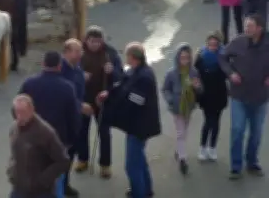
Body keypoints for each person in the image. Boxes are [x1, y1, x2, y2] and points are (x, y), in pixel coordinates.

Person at [97, 42, 161, 198]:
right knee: (139, 159)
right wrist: (110, 92)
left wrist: (116, 106)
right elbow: (122, 83)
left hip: (140, 126)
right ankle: (146, 190)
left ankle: (138, 193)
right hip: (137, 125)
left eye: (127, 56)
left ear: (133, 57)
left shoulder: (144, 76)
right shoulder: (135, 71)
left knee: (132, 165)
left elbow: (136, 100)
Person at [19, 51, 79, 198]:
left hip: (32, 139)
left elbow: (17, 110)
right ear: (59, 67)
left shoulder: (29, 84)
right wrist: (71, 140)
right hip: (58, 140)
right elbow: (73, 117)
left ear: (43, 64)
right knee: (56, 178)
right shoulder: (67, 88)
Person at [218, 13, 269, 179]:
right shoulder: (238, 41)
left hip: (260, 97)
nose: (246, 28)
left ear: (260, 28)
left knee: (256, 133)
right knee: (237, 130)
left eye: (250, 26)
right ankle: (236, 167)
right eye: (246, 25)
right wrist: (230, 73)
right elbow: (223, 58)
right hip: (239, 96)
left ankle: (252, 163)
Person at [76, 26, 122, 178]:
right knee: (82, 131)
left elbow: (121, 77)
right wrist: (80, 75)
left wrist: (112, 72)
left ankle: (105, 165)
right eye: (92, 41)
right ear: (86, 40)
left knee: (104, 133)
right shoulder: (78, 52)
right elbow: (68, 72)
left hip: (103, 100)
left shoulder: (111, 54)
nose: (95, 44)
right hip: (84, 99)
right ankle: (82, 159)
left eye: (98, 41)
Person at [8, 94, 70, 198]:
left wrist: (42, 180)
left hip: (40, 192)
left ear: (32, 110)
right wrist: (11, 170)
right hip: (19, 188)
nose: (19, 117)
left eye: (23, 112)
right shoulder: (14, 128)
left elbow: (63, 161)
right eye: (16, 112)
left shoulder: (45, 133)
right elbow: (14, 152)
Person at [161, 43, 202, 174]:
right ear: (177, 58)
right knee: (180, 132)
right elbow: (165, 89)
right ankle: (183, 159)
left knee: (184, 130)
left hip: (189, 106)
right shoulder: (171, 73)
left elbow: (200, 90)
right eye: (182, 58)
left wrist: (197, 86)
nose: (184, 60)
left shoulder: (194, 72)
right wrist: (171, 100)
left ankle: (179, 150)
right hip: (177, 107)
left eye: (187, 58)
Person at [194, 31, 228, 162]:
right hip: (206, 94)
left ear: (219, 44)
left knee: (216, 122)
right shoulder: (201, 56)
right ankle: (202, 147)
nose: (213, 46)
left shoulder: (223, 56)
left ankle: (212, 147)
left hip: (219, 93)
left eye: (215, 44)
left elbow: (227, 72)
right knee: (208, 121)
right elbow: (194, 72)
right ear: (207, 43)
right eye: (210, 44)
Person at [60, 39, 86, 197]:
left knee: (71, 154)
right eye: (77, 51)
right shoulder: (61, 70)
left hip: (76, 118)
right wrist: (80, 105)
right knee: (63, 156)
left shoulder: (77, 68)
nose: (80, 54)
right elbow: (63, 95)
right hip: (64, 121)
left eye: (81, 51)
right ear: (67, 52)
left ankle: (65, 184)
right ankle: (60, 187)